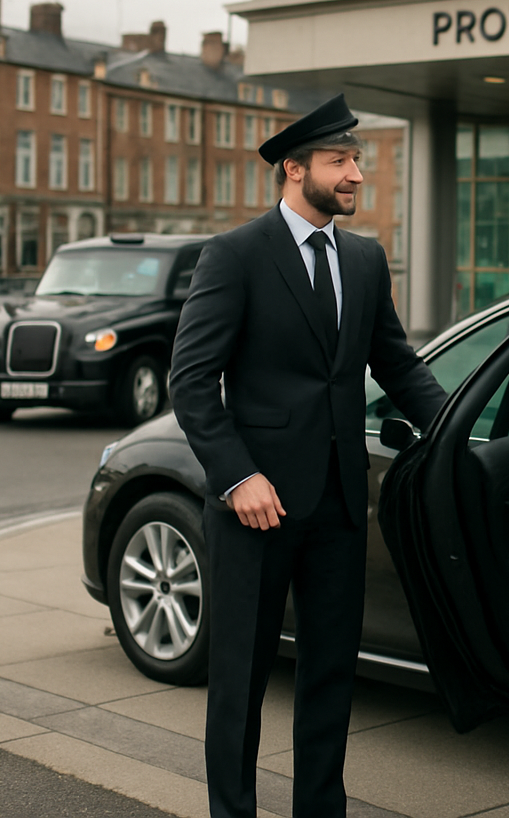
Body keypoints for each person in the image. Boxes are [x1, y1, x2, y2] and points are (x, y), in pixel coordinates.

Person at [169, 93, 447, 818]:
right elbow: (191, 383)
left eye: (356, 159)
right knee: (241, 680)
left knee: (330, 676)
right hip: (253, 510)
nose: (357, 173)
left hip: (337, 506)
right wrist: (237, 477)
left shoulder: (362, 259)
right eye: (341, 160)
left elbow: (399, 364)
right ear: (295, 170)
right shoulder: (234, 255)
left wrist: (455, 429)